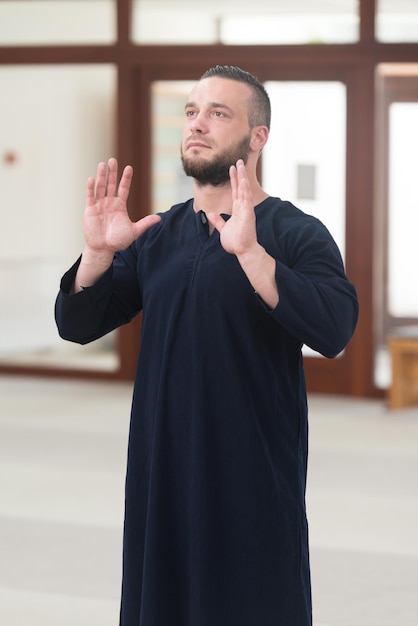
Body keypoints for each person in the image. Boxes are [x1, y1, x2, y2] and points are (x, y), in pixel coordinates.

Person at [55, 65, 358, 626]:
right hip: (161, 468)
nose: (198, 124)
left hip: (250, 471)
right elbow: (77, 325)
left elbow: (335, 328)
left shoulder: (295, 232)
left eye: (219, 113)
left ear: (257, 136)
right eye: (193, 111)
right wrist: (97, 255)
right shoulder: (159, 234)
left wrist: (253, 256)